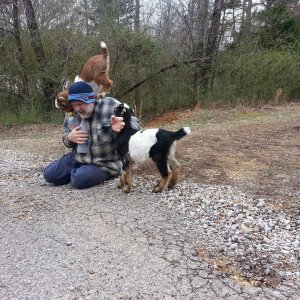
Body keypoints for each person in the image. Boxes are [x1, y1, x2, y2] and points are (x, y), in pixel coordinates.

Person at [43, 81, 140, 189]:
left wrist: (123, 126)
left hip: (104, 164)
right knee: (49, 175)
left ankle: (94, 174)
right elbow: (65, 136)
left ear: (92, 100)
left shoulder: (111, 105)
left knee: (77, 180)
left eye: (80, 104)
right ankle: (79, 172)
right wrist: (69, 137)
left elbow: (136, 126)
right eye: (74, 105)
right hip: (78, 158)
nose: (78, 108)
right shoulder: (71, 113)